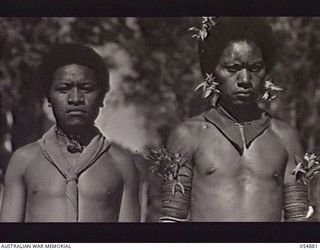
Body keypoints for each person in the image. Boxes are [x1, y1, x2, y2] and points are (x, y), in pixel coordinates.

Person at [158, 17, 316, 222]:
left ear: (266, 71)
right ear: (211, 73)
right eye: (232, 69)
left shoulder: (286, 138)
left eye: (255, 68)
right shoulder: (188, 135)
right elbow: (172, 220)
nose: (245, 80)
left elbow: (299, 219)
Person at [0, 43, 140, 222]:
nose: (75, 99)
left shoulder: (122, 164)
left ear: (102, 97)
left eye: (87, 89)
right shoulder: (24, 160)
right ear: (49, 97)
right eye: (64, 89)